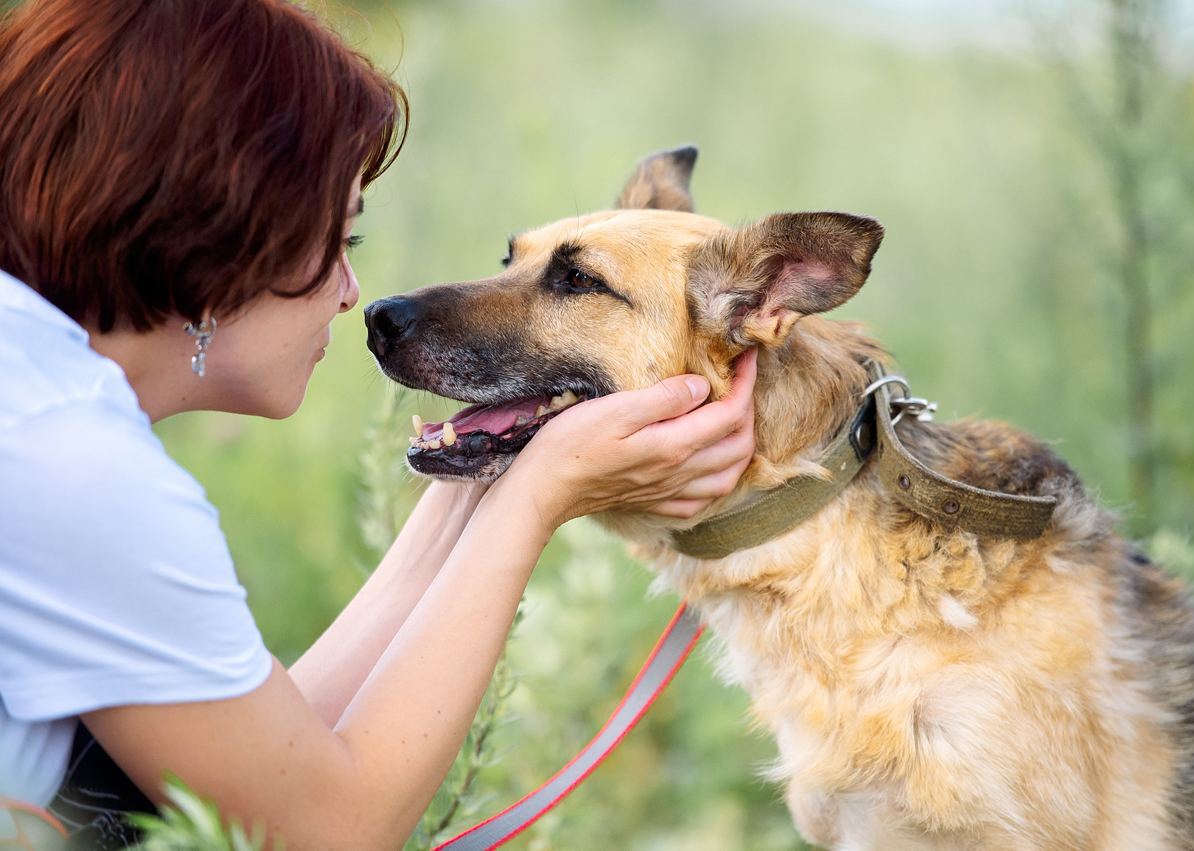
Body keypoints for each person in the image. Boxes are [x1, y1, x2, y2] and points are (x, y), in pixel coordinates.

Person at [0, 0, 757, 847]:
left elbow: (277, 764)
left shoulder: (36, 403)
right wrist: (534, 497)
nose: (352, 291)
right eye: (341, 236)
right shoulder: (68, 464)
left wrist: (487, 460)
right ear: (216, 224)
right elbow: (326, 832)